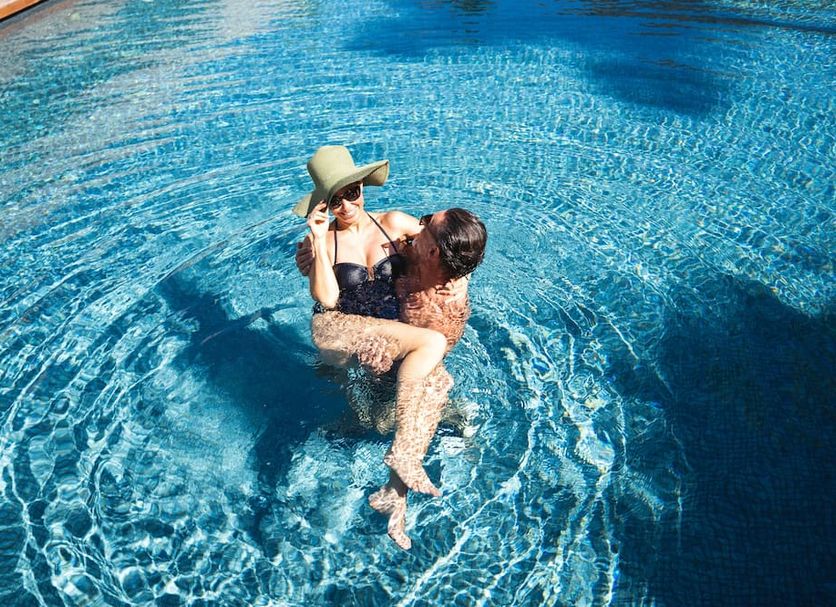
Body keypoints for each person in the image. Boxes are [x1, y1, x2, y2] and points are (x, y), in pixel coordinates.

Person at [293, 146, 487, 548]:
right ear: (323, 203)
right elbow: (327, 300)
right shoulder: (321, 242)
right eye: (335, 199)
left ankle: (394, 494)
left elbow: (446, 250)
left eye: (352, 192)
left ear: (362, 186)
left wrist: (457, 281)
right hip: (339, 329)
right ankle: (400, 452)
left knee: (436, 381)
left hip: (389, 334)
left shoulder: (394, 224)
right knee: (429, 348)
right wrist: (317, 238)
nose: (347, 205)